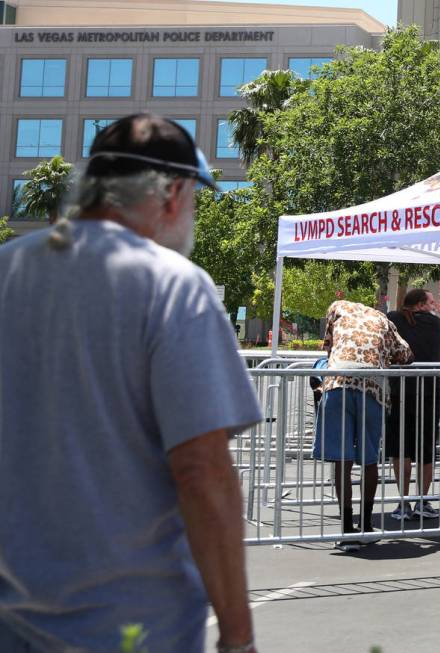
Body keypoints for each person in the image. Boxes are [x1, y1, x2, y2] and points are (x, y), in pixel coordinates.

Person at [0, 115, 262, 652]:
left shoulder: (8, 268)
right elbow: (202, 471)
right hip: (133, 624)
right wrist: (238, 636)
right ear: (172, 192)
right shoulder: (174, 285)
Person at [314, 300, 413, 551]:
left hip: (337, 384)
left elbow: (328, 345)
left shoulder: (336, 308)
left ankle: (347, 529)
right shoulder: (383, 320)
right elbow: (405, 354)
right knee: (369, 460)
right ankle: (367, 526)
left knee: (342, 460)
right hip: (372, 389)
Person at [386, 289, 440, 521]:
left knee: (400, 449)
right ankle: (423, 500)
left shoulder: (392, 319)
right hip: (429, 391)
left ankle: (403, 503)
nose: (434, 306)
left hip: (399, 391)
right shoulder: (435, 323)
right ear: (421, 304)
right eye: (431, 302)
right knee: (425, 451)